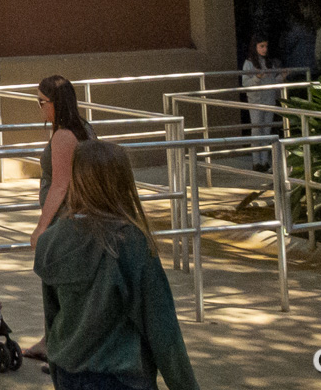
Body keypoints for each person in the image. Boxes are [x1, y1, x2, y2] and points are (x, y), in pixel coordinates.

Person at [35, 139, 200, 390]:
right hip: (121, 376)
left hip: (70, 373)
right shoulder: (130, 242)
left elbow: (53, 319)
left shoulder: (51, 240)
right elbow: (163, 329)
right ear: (122, 183)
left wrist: (59, 371)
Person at [25, 74, 95, 362]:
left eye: (41, 102)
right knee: (56, 286)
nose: (39, 107)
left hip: (65, 221)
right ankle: (50, 341)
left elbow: (60, 184)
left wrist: (41, 227)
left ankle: (64, 352)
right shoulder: (83, 128)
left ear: (55, 104)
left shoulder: (64, 136)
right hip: (75, 219)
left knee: (61, 287)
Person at [241, 33, 283, 171]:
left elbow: (272, 82)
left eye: (266, 46)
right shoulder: (248, 63)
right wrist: (257, 78)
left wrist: (281, 77)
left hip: (269, 100)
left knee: (266, 131)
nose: (265, 49)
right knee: (257, 131)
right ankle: (256, 162)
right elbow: (245, 84)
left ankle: (264, 161)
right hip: (256, 101)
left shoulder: (270, 62)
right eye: (261, 46)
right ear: (255, 47)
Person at [280, 0, 318, 78]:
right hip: (311, 68)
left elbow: (286, 46)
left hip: (299, 69)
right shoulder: (311, 28)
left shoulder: (297, 29)